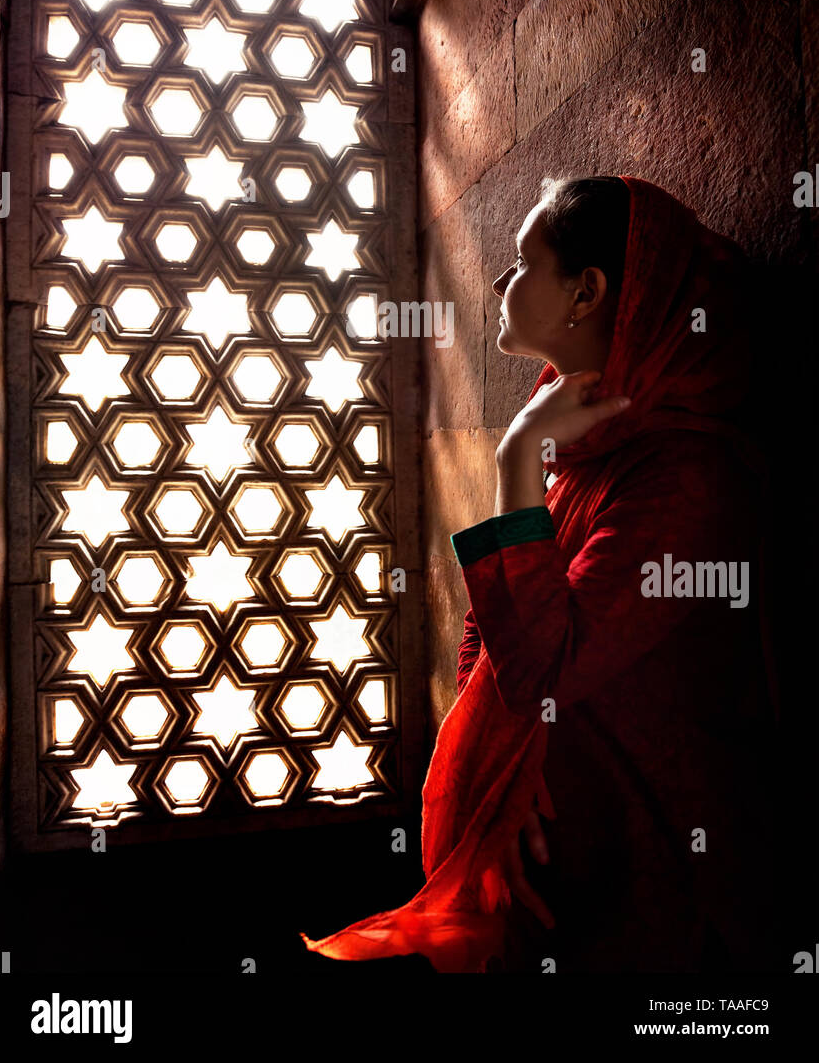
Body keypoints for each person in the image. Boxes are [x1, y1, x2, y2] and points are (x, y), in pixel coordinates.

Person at [300, 175, 786, 973]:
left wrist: (517, 454)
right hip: (552, 861)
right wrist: (504, 766)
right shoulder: (585, 446)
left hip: (659, 867)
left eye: (525, 262)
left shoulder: (684, 476)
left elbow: (539, 669)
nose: (499, 282)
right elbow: (487, 630)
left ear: (586, 292)